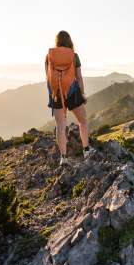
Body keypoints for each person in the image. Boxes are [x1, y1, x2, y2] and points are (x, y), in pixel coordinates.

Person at [45, 31, 94, 165]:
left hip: (56, 94)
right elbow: (79, 78)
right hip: (72, 92)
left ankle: (63, 158)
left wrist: (53, 95)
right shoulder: (74, 56)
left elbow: (48, 78)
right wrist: (83, 94)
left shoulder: (49, 56)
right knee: (83, 121)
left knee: (60, 126)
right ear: (69, 41)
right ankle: (86, 150)